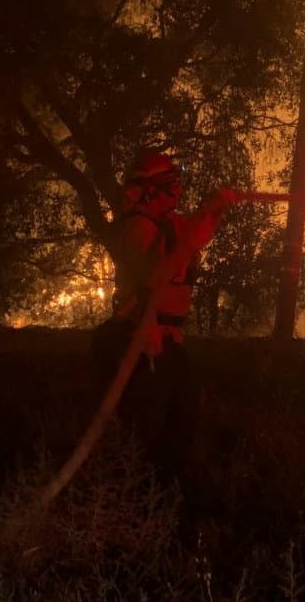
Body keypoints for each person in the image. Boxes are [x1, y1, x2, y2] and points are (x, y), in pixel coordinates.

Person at [92, 151, 236, 472]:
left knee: (181, 422)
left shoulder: (167, 222)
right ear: (151, 189)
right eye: (170, 182)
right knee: (149, 429)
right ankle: (137, 496)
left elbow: (195, 235)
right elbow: (157, 275)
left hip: (168, 340)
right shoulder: (137, 227)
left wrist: (215, 210)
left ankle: (168, 495)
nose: (178, 189)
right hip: (143, 340)